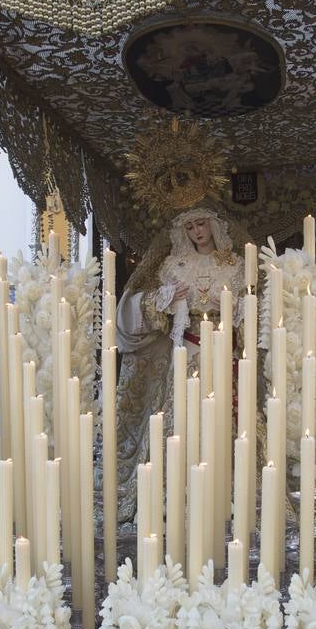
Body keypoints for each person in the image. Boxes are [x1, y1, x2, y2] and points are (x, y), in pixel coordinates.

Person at [116, 206, 252, 524]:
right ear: (183, 233)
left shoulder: (235, 263)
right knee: (182, 416)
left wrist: (237, 306)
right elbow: (145, 304)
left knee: (224, 416)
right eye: (190, 227)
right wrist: (166, 296)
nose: (198, 232)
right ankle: (177, 488)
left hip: (223, 348)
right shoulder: (172, 265)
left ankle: (225, 489)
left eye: (202, 224)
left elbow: (251, 306)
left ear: (214, 226)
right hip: (189, 347)